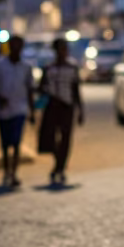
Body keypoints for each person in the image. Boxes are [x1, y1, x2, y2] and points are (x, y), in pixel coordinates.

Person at [0, 34, 35, 188]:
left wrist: (33, 112)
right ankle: (6, 171)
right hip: (3, 110)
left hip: (20, 109)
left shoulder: (26, 67)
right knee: (5, 144)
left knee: (16, 142)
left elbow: (30, 90)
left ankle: (14, 173)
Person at [37, 37, 84, 187]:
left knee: (65, 138)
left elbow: (76, 89)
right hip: (51, 106)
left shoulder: (72, 68)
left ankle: (60, 167)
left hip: (67, 106)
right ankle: (58, 163)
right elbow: (41, 87)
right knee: (50, 137)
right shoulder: (48, 68)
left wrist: (80, 109)